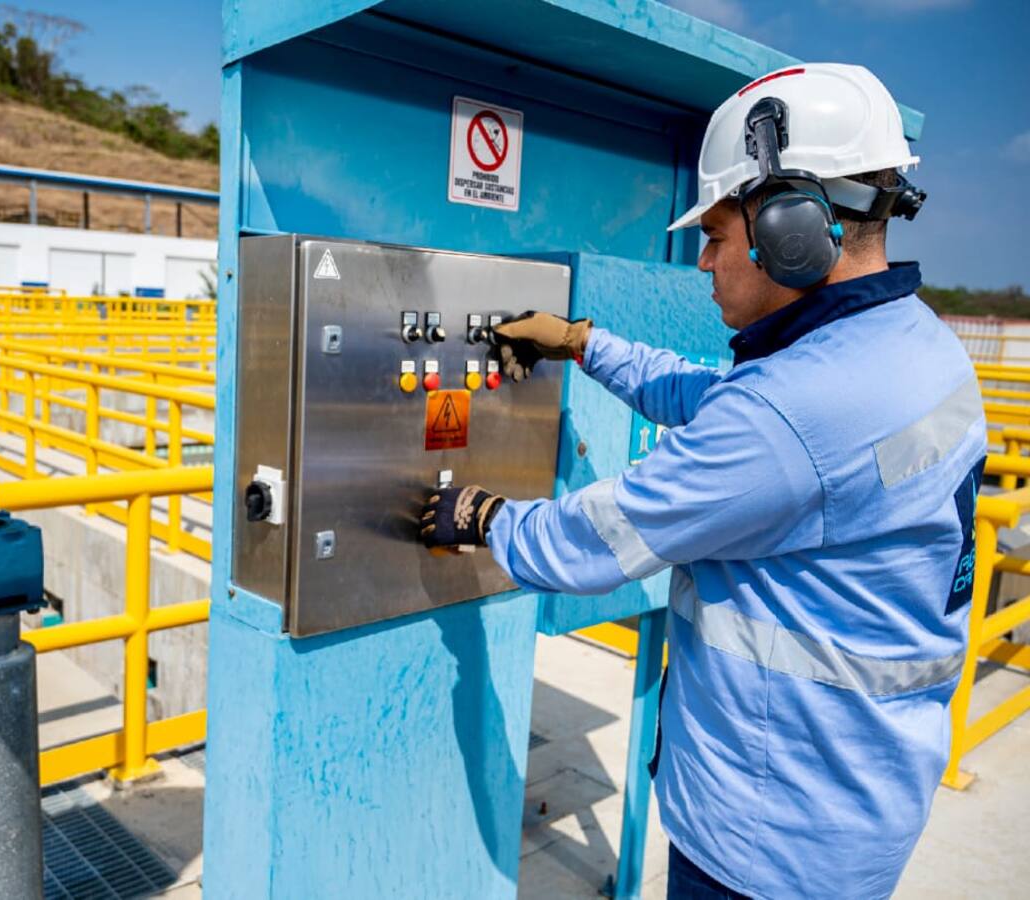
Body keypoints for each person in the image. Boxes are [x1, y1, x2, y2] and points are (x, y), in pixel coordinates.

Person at [420, 63, 986, 899]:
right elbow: (717, 400)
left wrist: (480, 514)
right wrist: (581, 341)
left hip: (765, 839)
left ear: (792, 227)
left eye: (718, 238)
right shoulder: (914, 350)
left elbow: (593, 541)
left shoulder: (794, 411)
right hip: (859, 802)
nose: (704, 264)